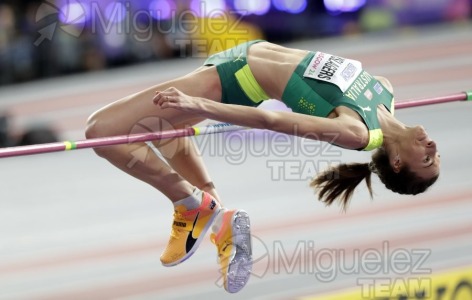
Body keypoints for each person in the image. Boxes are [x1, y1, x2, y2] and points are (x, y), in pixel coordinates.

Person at [85, 40, 440, 293]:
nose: (432, 147)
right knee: (160, 128)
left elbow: (271, 121)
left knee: (99, 131)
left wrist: (200, 104)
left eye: (426, 159)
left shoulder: (355, 132)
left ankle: (187, 202)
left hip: (235, 75)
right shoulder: (386, 92)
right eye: (435, 155)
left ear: (396, 162)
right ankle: (220, 223)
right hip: (242, 56)